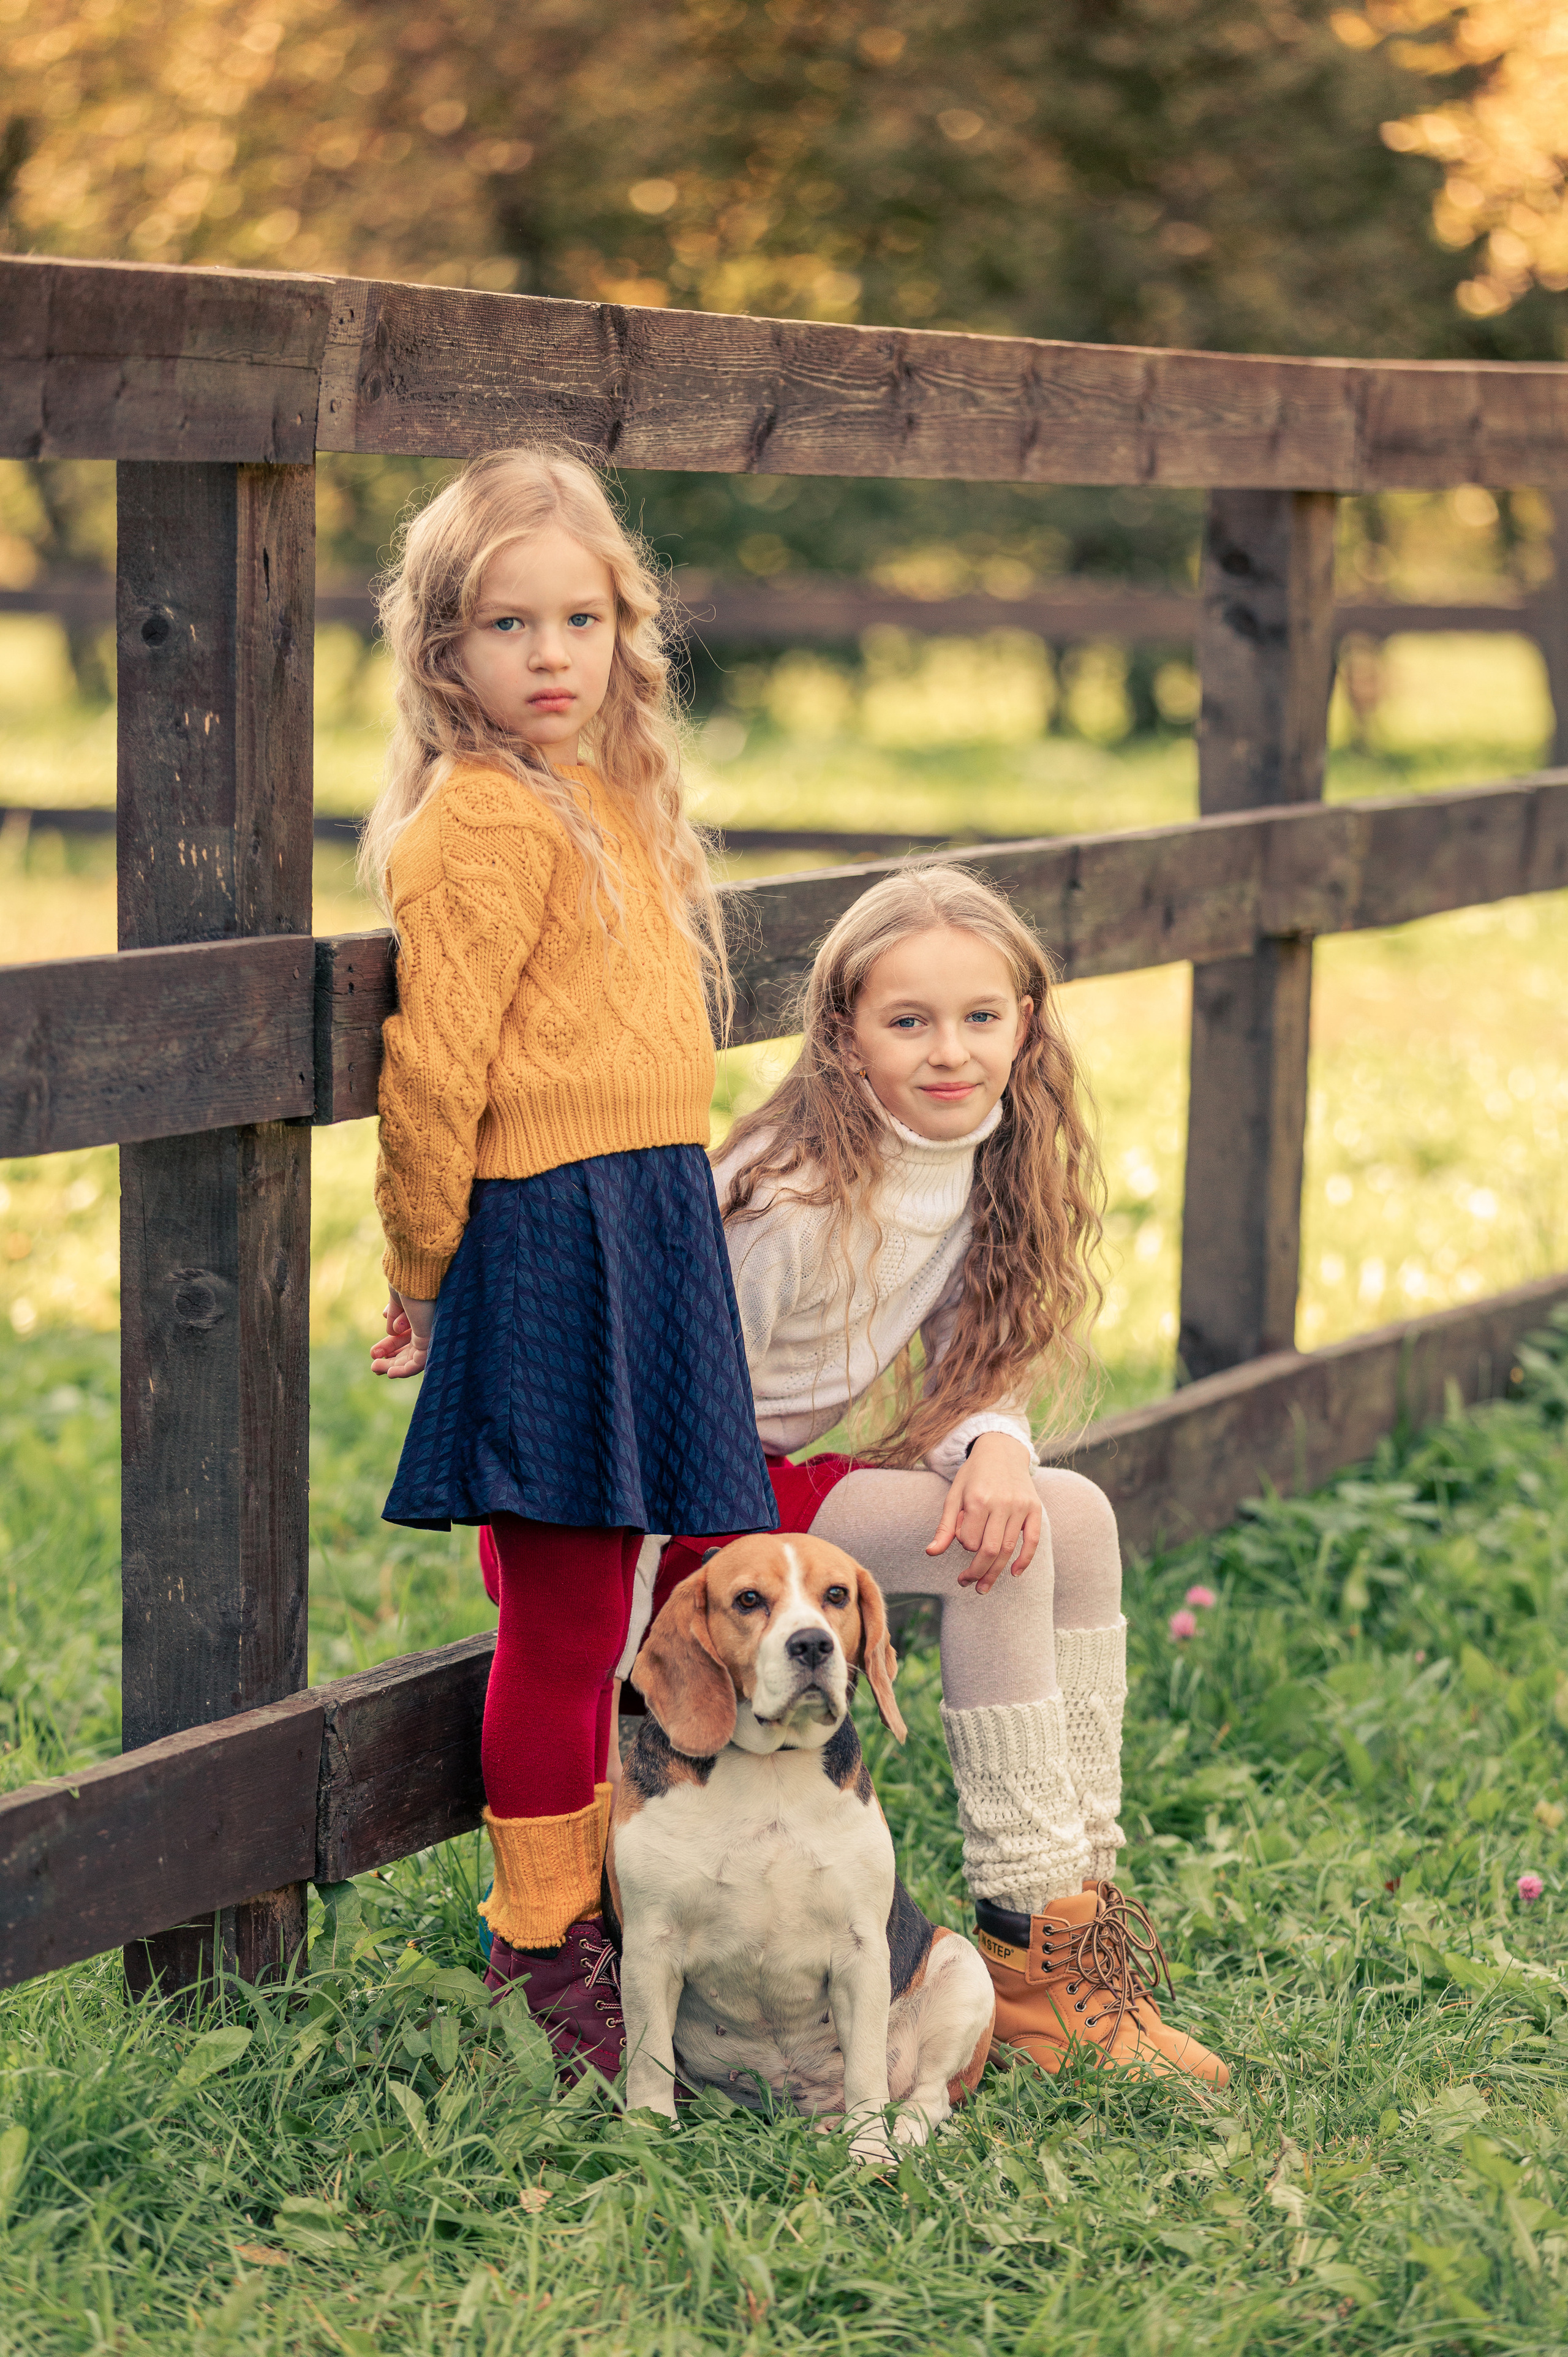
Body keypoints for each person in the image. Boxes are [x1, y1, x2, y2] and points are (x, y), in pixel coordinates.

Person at [638, 865, 1226, 2087]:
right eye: (907, 1020)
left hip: (769, 1480)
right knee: (987, 1549)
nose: (948, 1050)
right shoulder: (789, 1200)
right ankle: (1027, 1950)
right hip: (676, 1510)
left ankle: (1079, 1929)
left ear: (1026, 1027)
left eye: (979, 1016)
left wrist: (1001, 1443)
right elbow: (661, 1407)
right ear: (842, 1041)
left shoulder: (972, 1153)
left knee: (1069, 1509)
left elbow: (971, 1365)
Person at [361, 448, 777, 2076]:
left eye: (582, 619)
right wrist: (421, 1263)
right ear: (443, 653)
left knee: (700, 1563)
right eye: (506, 625)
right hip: (543, 1237)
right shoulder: (473, 822)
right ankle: (541, 1944)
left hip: (654, 1220)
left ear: (625, 630)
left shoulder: (613, 795)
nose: (550, 654)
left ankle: (698, 1892)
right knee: (562, 1611)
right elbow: (433, 1066)